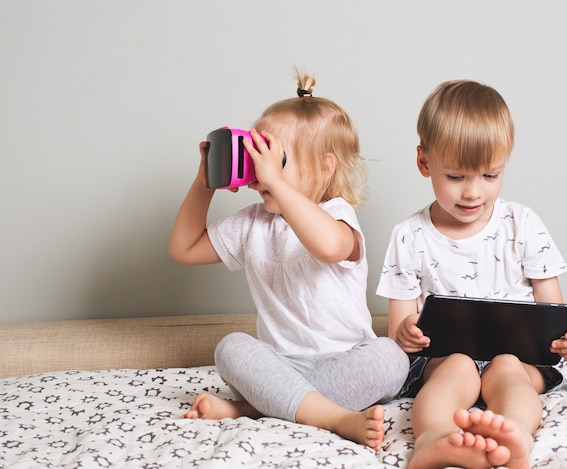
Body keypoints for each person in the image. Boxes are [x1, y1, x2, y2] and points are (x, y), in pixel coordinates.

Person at [169, 71, 409, 451]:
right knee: (230, 347)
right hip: (279, 366)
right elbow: (184, 249)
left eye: (274, 160)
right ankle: (334, 417)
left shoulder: (338, 215)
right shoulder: (252, 223)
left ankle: (251, 409)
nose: (261, 171)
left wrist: (276, 183)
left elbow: (329, 247)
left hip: (347, 362)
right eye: (256, 158)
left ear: (325, 168)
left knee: (391, 358)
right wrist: (203, 185)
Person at [376, 80, 567, 469]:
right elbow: (398, 333)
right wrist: (407, 332)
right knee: (456, 364)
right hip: (443, 360)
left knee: (507, 366)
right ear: (425, 163)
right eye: (456, 177)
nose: (474, 192)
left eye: (490, 176)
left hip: (520, 360)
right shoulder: (409, 236)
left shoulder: (522, 223)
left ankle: (514, 434)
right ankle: (434, 438)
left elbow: (553, 315)